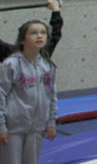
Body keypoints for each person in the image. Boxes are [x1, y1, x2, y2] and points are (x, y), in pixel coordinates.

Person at [0, 20, 57, 164]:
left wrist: (51, 123)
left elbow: (51, 97)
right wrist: (1, 126)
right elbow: (1, 95)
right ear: (22, 40)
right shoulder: (10, 65)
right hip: (13, 128)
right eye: (33, 33)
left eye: (43, 33)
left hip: (37, 128)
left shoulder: (47, 66)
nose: (39, 36)